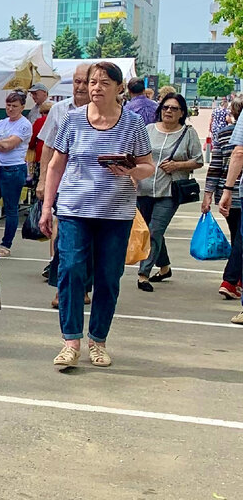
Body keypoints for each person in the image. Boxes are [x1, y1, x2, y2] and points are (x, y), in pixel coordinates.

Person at [40, 61, 154, 370]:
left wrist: (130, 168)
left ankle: (98, 341)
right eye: (92, 82)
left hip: (115, 213)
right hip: (75, 209)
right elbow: (55, 165)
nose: (95, 88)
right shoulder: (72, 120)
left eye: (104, 82)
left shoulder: (132, 124)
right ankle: (70, 341)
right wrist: (47, 206)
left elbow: (148, 166)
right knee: (72, 270)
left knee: (108, 278)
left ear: (119, 88)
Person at [135, 93, 202, 292]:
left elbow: (198, 159)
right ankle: (164, 267)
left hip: (169, 191)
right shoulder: (148, 130)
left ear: (182, 113)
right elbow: (136, 154)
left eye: (174, 108)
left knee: (155, 231)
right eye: (165, 107)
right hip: (144, 189)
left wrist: (177, 165)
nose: (169, 111)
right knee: (150, 230)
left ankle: (143, 274)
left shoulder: (188, 133)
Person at [38, 63, 91, 303]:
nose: (80, 87)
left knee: (91, 241)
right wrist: (42, 181)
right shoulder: (59, 110)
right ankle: (64, 288)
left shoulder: (108, 112)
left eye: (85, 82)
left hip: (94, 189)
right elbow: (47, 147)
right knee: (66, 240)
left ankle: (85, 287)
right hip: (64, 185)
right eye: (77, 82)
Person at [205, 98, 243, 301]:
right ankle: (230, 280)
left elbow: (215, 166)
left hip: (229, 193)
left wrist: (209, 194)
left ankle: (235, 281)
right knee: (240, 239)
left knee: (238, 236)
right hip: (236, 191)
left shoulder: (224, 133)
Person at [0, 91, 33, 255]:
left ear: (22, 107)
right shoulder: (2, 123)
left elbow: (9, 145)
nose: (10, 109)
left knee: (11, 208)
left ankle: (6, 244)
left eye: (14, 106)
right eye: (8, 105)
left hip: (14, 168)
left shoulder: (24, 125)